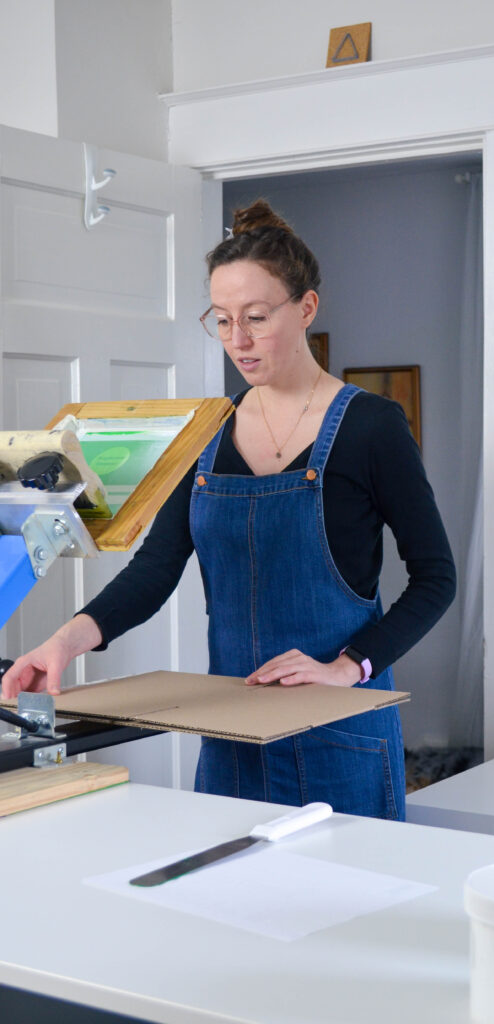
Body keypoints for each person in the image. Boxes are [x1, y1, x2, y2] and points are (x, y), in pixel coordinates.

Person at [2, 200, 456, 821]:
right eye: (221, 320)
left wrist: (351, 665)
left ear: (307, 308)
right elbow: (156, 567)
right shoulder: (206, 431)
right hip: (232, 736)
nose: (237, 340)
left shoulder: (372, 427)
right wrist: (62, 643)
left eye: (257, 317)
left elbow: (436, 578)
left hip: (338, 734)